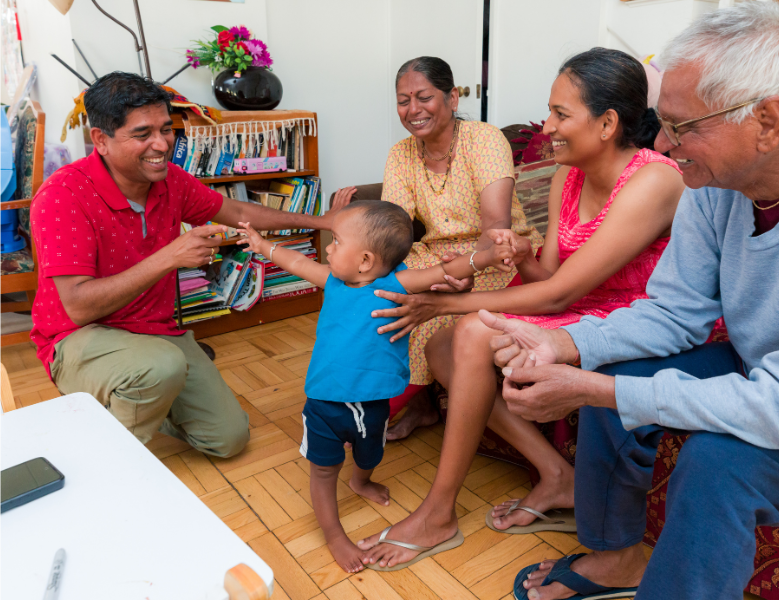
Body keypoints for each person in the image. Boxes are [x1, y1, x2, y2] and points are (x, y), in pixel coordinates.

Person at [481, 4, 779, 599]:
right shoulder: (713, 182)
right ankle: (618, 557)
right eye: (663, 122)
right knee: (605, 367)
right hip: (760, 368)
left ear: (768, 121)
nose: (664, 144)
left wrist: (604, 390)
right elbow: (672, 312)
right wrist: (565, 342)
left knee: (717, 463)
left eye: (683, 126)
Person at [357, 48, 692, 567]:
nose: (548, 130)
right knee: (449, 344)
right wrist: (521, 251)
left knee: (464, 330)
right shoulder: (569, 172)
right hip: (577, 302)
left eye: (561, 115)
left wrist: (445, 299)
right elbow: (551, 277)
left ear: (607, 123)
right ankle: (557, 475)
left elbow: (558, 296)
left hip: (634, 315)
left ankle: (439, 512)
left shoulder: (655, 179)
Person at [29, 72, 349, 457]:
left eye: (167, 129)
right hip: (78, 337)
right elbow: (78, 306)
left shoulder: (170, 181)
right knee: (160, 367)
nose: (161, 144)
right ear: (101, 140)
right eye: (142, 134)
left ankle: (134, 400)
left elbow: (236, 209)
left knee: (228, 438)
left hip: (154, 333)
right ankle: (108, 464)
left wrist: (323, 222)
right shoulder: (62, 195)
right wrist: (169, 258)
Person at [235, 201, 515, 573]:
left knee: (370, 454)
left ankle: (361, 480)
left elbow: (445, 269)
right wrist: (262, 245)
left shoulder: (394, 285)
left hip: (373, 405)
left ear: (365, 260)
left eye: (335, 241)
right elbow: (297, 264)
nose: (329, 248)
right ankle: (334, 534)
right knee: (322, 470)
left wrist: (486, 257)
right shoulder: (334, 281)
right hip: (324, 403)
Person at [379, 56, 543, 440]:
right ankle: (417, 405)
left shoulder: (483, 138)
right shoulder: (401, 154)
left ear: (452, 98)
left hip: (498, 255)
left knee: (425, 318)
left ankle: (385, 407)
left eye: (424, 97)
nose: (413, 110)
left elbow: (496, 224)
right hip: (435, 255)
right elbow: (393, 229)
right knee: (379, 294)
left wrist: (467, 270)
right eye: (403, 100)